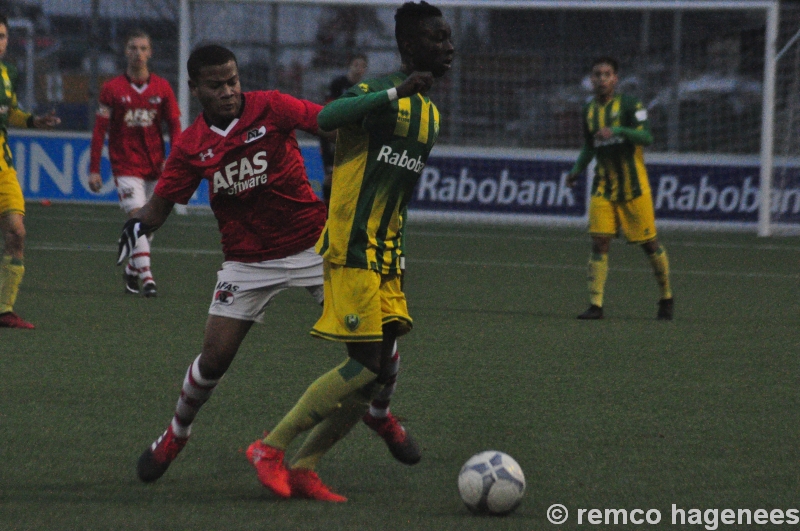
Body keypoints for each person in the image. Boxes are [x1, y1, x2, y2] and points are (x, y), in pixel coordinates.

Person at [121, 44, 416, 501]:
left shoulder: (272, 107)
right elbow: (160, 208)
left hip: (314, 246)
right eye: (216, 85)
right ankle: (176, 434)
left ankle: (379, 411)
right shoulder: (191, 145)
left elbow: (327, 118)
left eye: (233, 81)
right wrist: (136, 224)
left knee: (381, 341)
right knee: (214, 358)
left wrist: (385, 101)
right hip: (246, 260)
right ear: (196, 88)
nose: (228, 92)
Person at [246, 1, 453, 502]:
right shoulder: (378, 92)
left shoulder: (431, 114)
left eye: (449, 39)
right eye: (438, 37)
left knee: (375, 375)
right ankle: (269, 447)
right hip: (352, 249)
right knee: (363, 366)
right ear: (409, 47)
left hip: (387, 257)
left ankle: (306, 466)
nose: (449, 46)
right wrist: (393, 91)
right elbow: (330, 118)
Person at [566, 56, 673, 321]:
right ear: (591, 80)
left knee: (649, 244)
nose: (601, 79)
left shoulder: (631, 105)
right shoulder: (588, 110)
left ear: (616, 79)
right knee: (599, 241)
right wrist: (576, 170)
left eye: (607, 74)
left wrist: (617, 130)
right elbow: (590, 146)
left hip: (634, 188)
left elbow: (647, 137)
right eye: (597, 74)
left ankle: (666, 297)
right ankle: (596, 305)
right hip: (603, 186)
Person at [89, 29, 181, 298]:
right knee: (138, 217)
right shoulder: (112, 89)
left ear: (150, 52)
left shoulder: (162, 88)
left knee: (148, 225)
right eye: (133, 48)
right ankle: (148, 278)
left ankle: (131, 269)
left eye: (143, 48)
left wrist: (174, 161)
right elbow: (99, 131)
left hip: (156, 166)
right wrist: (94, 169)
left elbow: (175, 126)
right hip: (126, 165)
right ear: (125, 51)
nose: (138, 53)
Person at [0, 14, 61, 329]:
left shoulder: (6, 74)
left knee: (17, 232)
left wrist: (35, 121)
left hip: (2, 166)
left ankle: (4, 309)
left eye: (2, 36)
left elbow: (10, 113)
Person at [319, 52, 368, 206]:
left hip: (351, 138)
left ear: (365, 70)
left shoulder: (364, 89)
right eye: (356, 65)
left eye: (362, 66)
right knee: (330, 176)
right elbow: (328, 108)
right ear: (350, 66)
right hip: (332, 136)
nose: (358, 69)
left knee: (350, 177)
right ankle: (325, 212)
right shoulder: (338, 84)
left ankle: (343, 209)